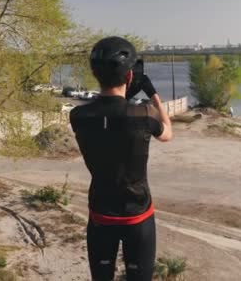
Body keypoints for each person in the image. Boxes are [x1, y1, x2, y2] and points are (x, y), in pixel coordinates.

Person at [70, 37, 173, 281]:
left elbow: (108, 115)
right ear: (129, 77)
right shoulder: (144, 113)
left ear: (95, 74)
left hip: (101, 214)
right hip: (138, 215)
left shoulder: (78, 115)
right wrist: (153, 94)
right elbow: (167, 133)